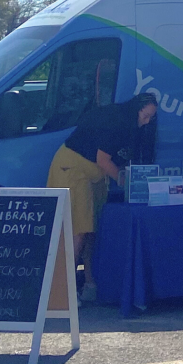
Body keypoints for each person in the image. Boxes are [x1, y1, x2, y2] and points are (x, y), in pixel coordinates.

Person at [48, 93, 159, 302]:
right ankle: (63, 291)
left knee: (93, 230)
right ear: (136, 109)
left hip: (96, 176)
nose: (146, 122)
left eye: (150, 118)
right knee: (78, 229)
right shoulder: (116, 120)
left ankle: (90, 284)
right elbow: (103, 159)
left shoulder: (134, 128)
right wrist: (126, 181)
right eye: (145, 116)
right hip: (73, 168)